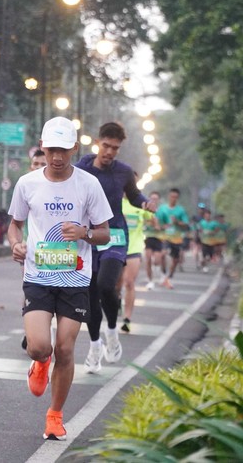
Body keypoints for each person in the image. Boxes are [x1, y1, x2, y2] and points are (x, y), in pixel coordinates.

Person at [7, 117, 112, 440]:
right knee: (40, 346)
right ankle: (40, 362)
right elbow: (15, 225)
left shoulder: (88, 185)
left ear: (74, 149)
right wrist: (16, 245)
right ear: (42, 147)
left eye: (63, 150)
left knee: (65, 349)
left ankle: (54, 416)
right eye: (51, 149)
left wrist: (84, 233)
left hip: (75, 279)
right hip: (38, 275)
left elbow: (105, 233)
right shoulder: (27, 183)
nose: (56, 157)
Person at [75, 122, 157, 374]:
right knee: (90, 294)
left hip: (115, 236)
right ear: (98, 143)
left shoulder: (124, 172)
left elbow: (134, 195)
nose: (110, 152)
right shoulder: (82, 168)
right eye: (106, 146)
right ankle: (94, 347)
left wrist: (146, 203)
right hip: (88, 237)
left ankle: (111, 331)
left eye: (115, 148)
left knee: (105, 285)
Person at [21, 148, 47, 350]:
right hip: (30, 248)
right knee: (28, 286)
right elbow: (17, 221)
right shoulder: (25, 187)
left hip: (58, 251)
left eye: (42, 164)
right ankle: (29, 331)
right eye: (35, 164)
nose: (38, 168)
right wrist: (18, 243)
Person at [118, 185, 155, 333]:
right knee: (116, 285)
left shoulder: (141, 203)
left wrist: (151, 211)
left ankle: (127, 318)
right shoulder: (116, 202)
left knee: (129, 282)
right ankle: (116, 301)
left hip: (134, 248)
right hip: (116, 247)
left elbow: (153, 220)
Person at [156, 188, 190, 289]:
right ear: (169, 196)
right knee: (163, 254)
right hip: (165, 236)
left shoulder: (180, 210)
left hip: (176, 238)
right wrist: (161, 226)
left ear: (177, 198)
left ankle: (169, 277)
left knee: (175, 260)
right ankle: (163, 274)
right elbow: (157, 221)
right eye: (172, 196)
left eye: (175, 197)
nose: (173, 199)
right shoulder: (162, 208)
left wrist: (177, 222)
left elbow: (186, 224)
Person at [143, 191, 164, 289]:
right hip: (148, 237)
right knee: (148, 260)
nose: (154, 200)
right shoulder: (145, 210)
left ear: (158, 200)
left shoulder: (162, 212)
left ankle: (158, 273)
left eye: (156, 199)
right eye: (152, 198)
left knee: (157, 260)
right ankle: (150, 280)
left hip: (158, 238)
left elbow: (167, 224)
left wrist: (159, 227)